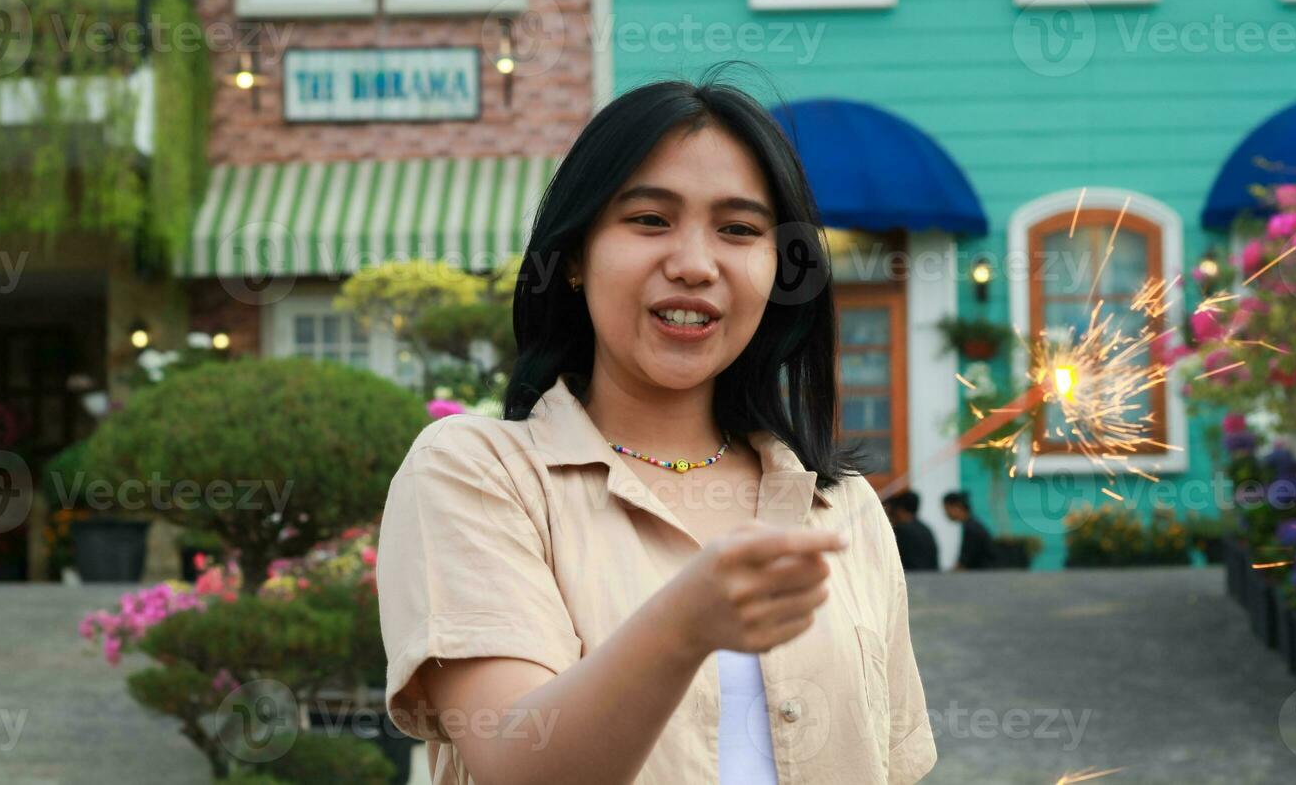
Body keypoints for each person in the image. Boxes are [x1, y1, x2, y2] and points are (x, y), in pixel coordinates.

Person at [376, 75, 937, 785]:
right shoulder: (477, 474)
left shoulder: (841, 506)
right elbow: (517, 764)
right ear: (575, 255)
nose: (695, 265)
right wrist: (683, 624)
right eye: (649, 220)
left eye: (738, 229)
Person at [941, 490, 997, 571]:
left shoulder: (971, 529)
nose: (946, 513)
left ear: (958, 506)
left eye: (947, 509)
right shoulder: (973, 525)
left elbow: (963, 563)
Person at [885, 491, 939, 572]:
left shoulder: (901, 531)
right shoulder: (925, 529)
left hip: (912, 578)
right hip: (931, 576)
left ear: (900, 510)